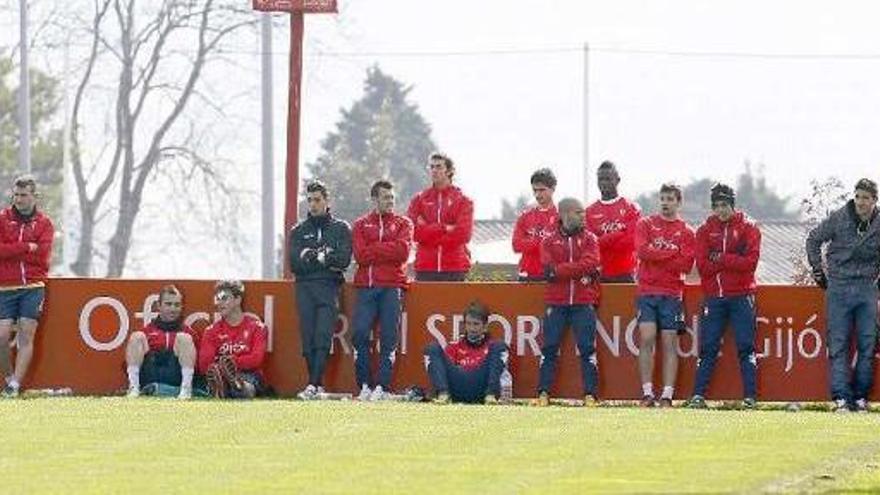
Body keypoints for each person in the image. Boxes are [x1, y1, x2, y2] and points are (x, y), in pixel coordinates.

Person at [806, 178, 880, 413]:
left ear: (874, 200)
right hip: (838, 286)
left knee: (868, 344)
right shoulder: (839, 217)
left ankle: (860, 397)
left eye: (865, 198)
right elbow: (813, 239)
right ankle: (840, 397)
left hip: (867, 286)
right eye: (857, 196)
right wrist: (818, 270)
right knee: (838, 344)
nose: (860, 202)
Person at [688, 183, 761, 409]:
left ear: (732, 203)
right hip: (715, 298)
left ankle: (750, 397)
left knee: (745, 347)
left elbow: (750, 264)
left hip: (742, 296)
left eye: (724, 204)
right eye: (716, 205)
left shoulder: (749, 228)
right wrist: (732, 258)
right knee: (708, 347)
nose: (720, 210)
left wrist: (719, 257)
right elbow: (703, 267)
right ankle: (698, 396)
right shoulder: (704, 230)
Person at [535, 197, 602, 407]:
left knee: (587, 349)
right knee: (549, 348)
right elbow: (548, 271)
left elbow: (592, 263)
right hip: (556, 303)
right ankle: (543, 393)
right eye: (579, 212)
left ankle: (590, 395)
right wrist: (578, 268)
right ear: (565, 215)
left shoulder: (590, 238)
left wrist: (562, 269)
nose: (584, 216)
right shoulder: (548, 240)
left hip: (583, 302)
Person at [290, 180, 352, 400]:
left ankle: (314, 384)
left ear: (327, 201)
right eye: (310, 200)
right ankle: (315, 385)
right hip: (304, 287)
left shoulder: (340, 228)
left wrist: (313, 256)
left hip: (329, 287)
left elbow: (343, 260)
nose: (313, 205)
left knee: (323, 335)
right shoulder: (298, 230)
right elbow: (295, 264)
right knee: (307, 337)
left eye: (317, 200)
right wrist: (323, 257)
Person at [634, 183, 695, 407]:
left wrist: (656, 255)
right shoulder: (646, 224)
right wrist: (671, 253)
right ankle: (647, 393)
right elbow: (642, 251)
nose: (665, 203)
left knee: (670, 343)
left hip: (671, 293)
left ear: (678, 202)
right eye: (663, 198)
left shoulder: (687, 232)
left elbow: (686, 265)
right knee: (647, 338)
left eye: (670, 199)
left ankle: (667, 395)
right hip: (647, 291)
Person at [351, 180, 413, 401]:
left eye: (392, 197)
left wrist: (374, 249)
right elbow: (359, 255)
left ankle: (382, 387)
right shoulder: (360, 224)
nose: (390, 201)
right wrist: (387, 248)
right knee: (359, 334)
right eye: (386, 197)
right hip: (366, 287)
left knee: (389, 337)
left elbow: (402, 252)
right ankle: (365, 385)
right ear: (374, 199)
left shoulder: (403, 223)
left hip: (392, 287)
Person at [0, 175, 55, 398]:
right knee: (2, 337)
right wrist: (25, 247)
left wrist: (14, 250)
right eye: (16, 195)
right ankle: (7, 376)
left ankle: (14, 386)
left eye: (23, 195)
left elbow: (42, 255)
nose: (19, 199)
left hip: (33, 285)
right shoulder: (3, 219)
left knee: (26, 334)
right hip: (4, 287)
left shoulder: (44, 223)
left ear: (34, 196)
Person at [423, 300, 508, 404]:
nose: (472, 328)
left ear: (485, 326)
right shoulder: (455, 346)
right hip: (457, 388)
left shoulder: (492, 348)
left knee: (500, 345)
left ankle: (491, 396)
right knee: (432, 348)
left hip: (481, 389)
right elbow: (443, 372)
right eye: (468, 324)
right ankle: (443, 395)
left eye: (476, 324)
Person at [407, 152, 474, 281]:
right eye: (431, 167)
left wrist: (427, 230)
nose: (434, 171)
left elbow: (463, 235)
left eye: (438, 167)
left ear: (449, 171)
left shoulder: (464, 201)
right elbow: (413, 232)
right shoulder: (419, 199)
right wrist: (444, 228)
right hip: (425, 268)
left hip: (455, 268)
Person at [125, 285, 198, 399]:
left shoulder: (189, 332)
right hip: (150, 372)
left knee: (184, 338)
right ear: (159, 306)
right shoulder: (147, 331)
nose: (173, 309)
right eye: (168, 304)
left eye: (177, 305)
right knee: (136, 336)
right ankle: (134, 388)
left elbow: (197, 365)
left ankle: (186, 389)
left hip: (175, 374)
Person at [198, 280, 268, 399]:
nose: (219, 303)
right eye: (218, 299)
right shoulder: (211, 331)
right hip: (220, 375)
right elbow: (204, 365)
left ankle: (236, 386)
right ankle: (224, 387)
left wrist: (230, 363)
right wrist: (224, 366)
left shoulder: (257, 327)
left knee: (245, 385)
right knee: (217, 375)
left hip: (249, 375)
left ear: (238, 300)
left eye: (224, 298)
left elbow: (256, 360)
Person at [584, 161, 641, 283]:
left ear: (617, 180)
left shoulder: (631, 208)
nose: (604, 183)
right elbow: (590, 245)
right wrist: (619, 233)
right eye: (600, 179)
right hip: (600, 274)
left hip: (626, 274)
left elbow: (630, 242)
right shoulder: (589, 212)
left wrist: (603, 239)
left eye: (608, 179)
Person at [512, 168, 558, 281]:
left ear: (553, 189)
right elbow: (516, 245)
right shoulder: (525, 216)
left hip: (551, 276)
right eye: (535, 190)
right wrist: (542, 242)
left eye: (542, 190)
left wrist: (531, 242)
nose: (538, 194)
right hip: (527, 275)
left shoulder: (562, 217)